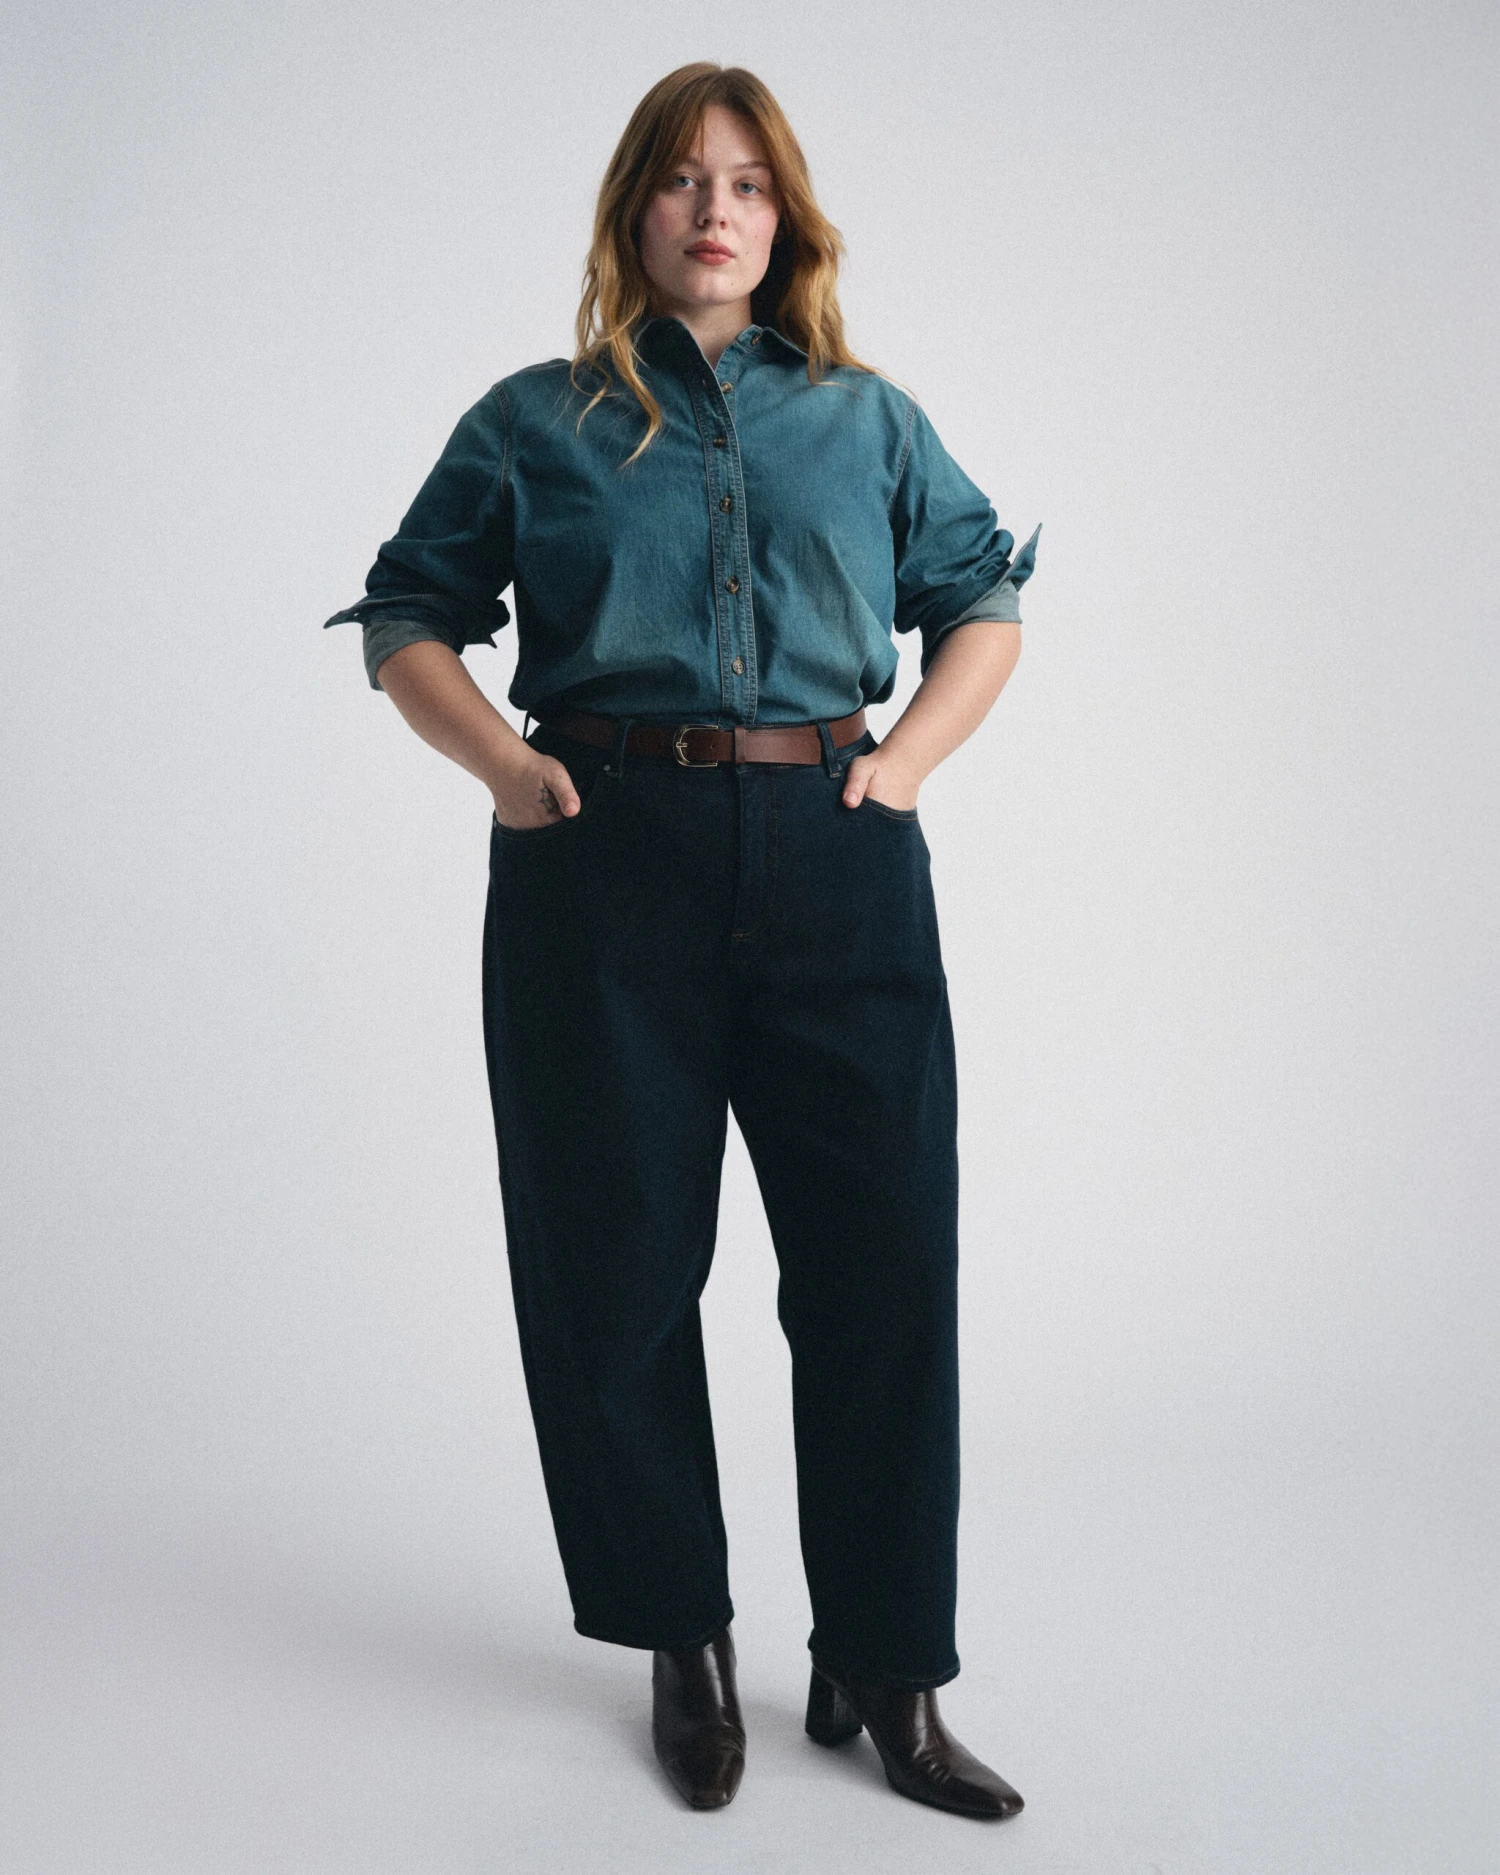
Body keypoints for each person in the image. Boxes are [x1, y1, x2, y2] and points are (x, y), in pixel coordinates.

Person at [324, 61, 1039, 1819]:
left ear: (785, 219)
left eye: (747, 183)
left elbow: (983, 598)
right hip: (600, 861)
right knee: (617, 1273)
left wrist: (901, 768)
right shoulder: (534, 421)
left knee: (883, 1270)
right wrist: (507, 770)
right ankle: (682, 1641)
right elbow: (409, 610)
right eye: (681, 179)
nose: (714, 210)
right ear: (632, 211)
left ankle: (885, 1658)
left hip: (837, 853)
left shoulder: (868, 421)